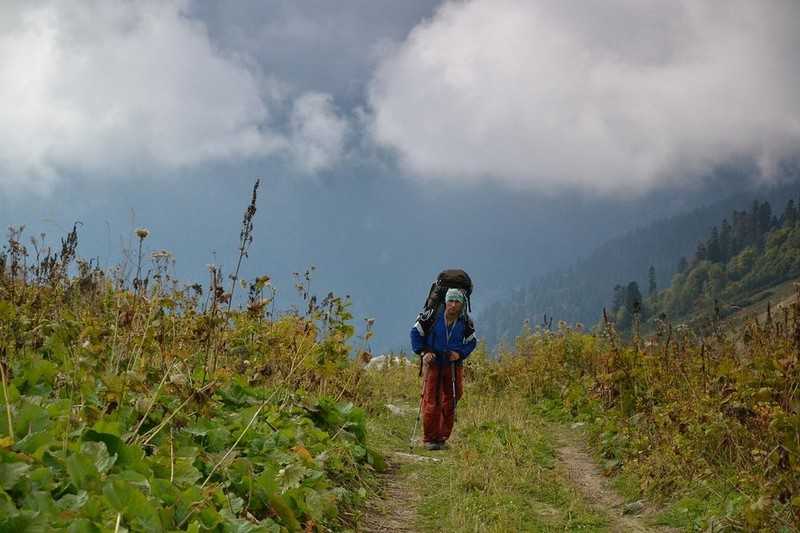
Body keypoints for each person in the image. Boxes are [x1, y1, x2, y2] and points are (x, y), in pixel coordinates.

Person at [410, 288, 477, 450]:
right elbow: (415, 333)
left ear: (462, 305)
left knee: (453, 397)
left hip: (452, 364)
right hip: (433, 362)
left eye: (457, 302)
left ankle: (442, 437)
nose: (453, 305)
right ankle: (429, 439)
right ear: (445, 302)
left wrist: (459, 354)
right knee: (431, 400)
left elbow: (471, 342)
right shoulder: (431, 317)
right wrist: (423, 352)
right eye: (450, 301)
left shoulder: (465, 322)